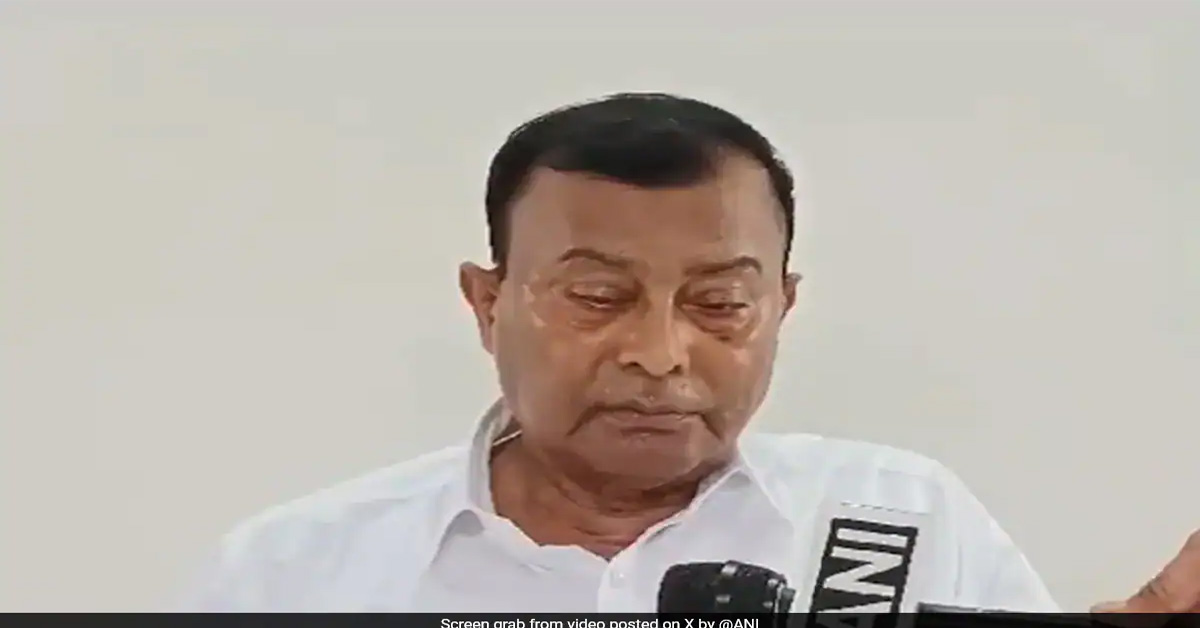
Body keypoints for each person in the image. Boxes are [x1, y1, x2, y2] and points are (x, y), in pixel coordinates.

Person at [179, 93, 1199, 614]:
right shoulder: (293, 573)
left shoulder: (903, 516)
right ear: (488, 303)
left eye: (719, 303)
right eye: (598, 297)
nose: (660, 354)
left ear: (782, 307)